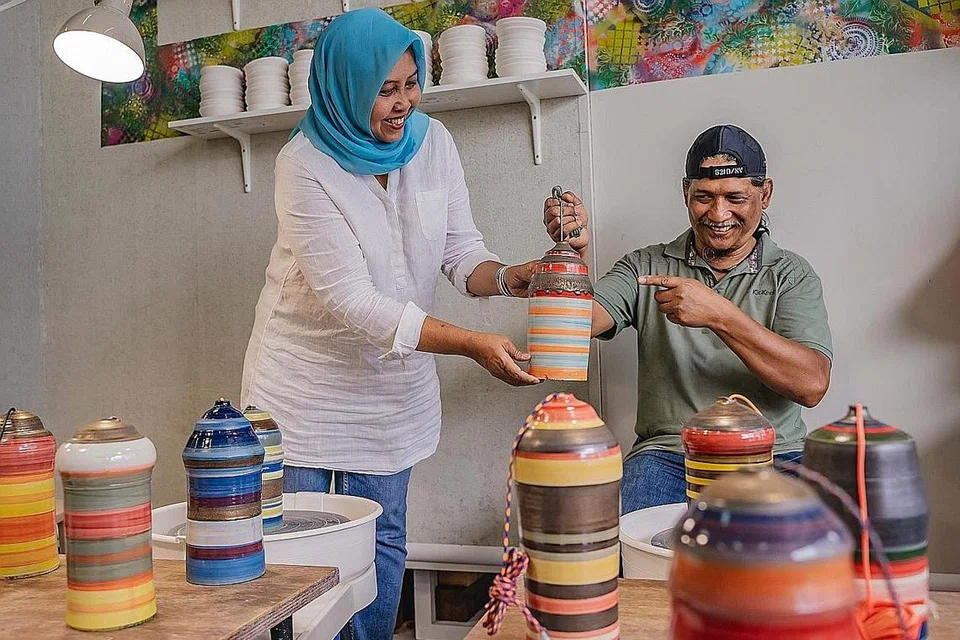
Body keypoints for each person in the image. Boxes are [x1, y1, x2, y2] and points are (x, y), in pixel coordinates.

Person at [241, 9, 540, 640]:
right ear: (344, 88)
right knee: (298, 548)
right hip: (304, 389)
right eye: (385, 89)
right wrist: (469, 344)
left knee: (383, 539)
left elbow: (462, 254)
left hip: (390, 388)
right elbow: (353, 302)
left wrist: (516, 275)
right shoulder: (304, 164)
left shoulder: (432, 143)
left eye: (411, 83)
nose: (403, 102)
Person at [543, 124, 832, 513]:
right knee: (617, 541)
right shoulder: (645, 265)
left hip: (773, 455)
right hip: (668, 456)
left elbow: (812, 385)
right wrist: (571, 259)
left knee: (802, 556)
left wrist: (719, 314)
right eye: (703, 197)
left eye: (735, 198)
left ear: (764, 194)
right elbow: (570, 327)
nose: (719, 214)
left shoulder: (791, 274)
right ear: (685, 193)